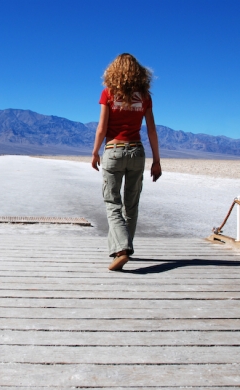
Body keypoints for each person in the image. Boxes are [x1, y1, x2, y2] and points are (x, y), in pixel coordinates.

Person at [91, 53, 162, 271]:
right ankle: (124, 248)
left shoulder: (108, 94)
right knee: (131, 205)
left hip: (113, 151)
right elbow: (151, 129)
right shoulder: (145, 97)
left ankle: (122, 250)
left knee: (113, 204)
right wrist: (157, 160)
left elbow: (102, 127)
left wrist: (95, 152)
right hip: (137, 152)